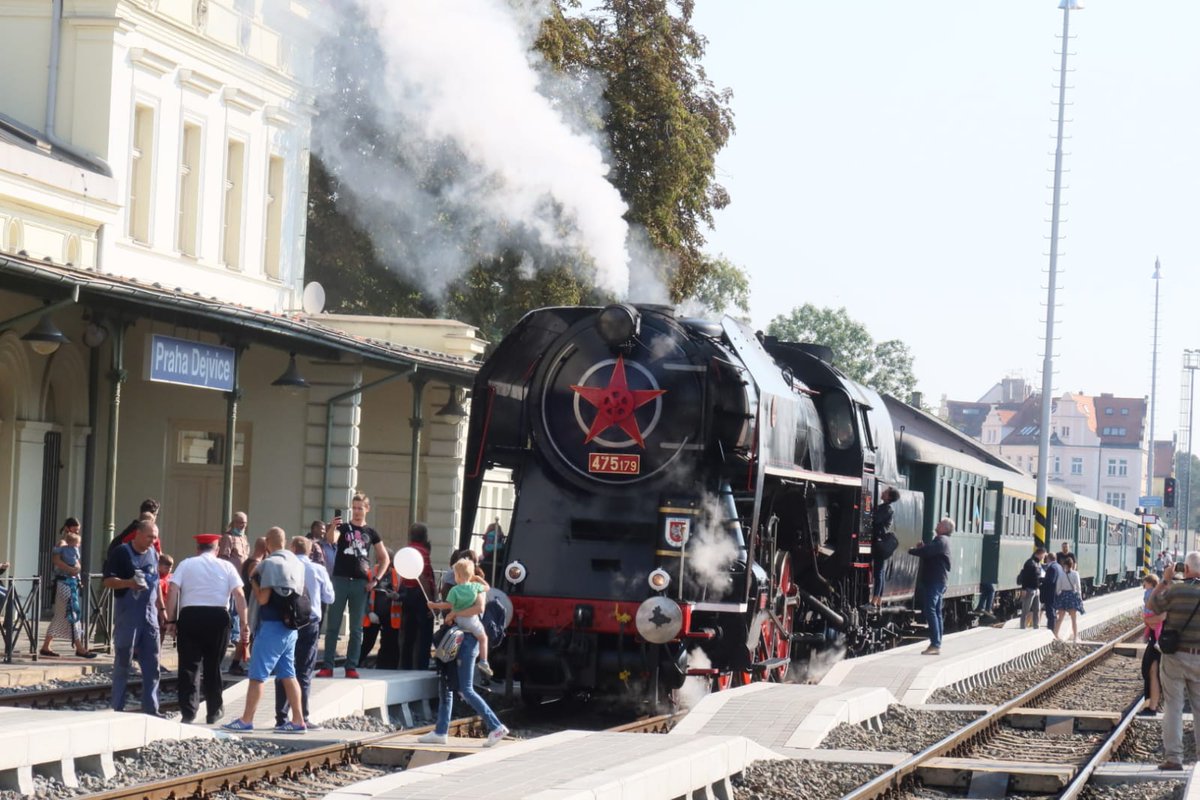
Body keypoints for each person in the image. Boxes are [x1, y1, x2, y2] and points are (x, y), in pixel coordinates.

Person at [223, 527, 307, 733]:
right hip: (291, 628)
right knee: (289, 674)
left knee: (257, 676)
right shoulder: (297, 564)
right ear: (285, 542)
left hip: (271, 627)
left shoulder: (269, 564)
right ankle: (298, 721)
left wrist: (253, 580)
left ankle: (246, 720)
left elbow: (262, 599)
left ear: (268, 542)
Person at [165, 533, 249, 725]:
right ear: (217, 550)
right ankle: (214, 710)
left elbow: (172, 590)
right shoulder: (227, 566)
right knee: (213, 665)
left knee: (189, 665)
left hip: (190, 616)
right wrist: (245, 624)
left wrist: (171, 620)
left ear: (198, 549)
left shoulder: (186, 564)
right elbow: (239, 594)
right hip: (218, 617)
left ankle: (188, 712)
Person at [417, 578, 509, 748]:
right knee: (446, 685)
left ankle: (496, 727)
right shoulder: (466, 588)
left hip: (466, 641)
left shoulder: (475, 589)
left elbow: (479, 608)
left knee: (466, 689)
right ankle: (440, 731)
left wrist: (453, 613)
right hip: (459, 640)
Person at [318, 494, 389, 679]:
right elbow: (331, 540)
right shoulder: (343, 527)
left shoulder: (371, 532)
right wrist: (333, 526)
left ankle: (351, 666)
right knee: (333, 625)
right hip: (340, 580)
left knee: (356, 628)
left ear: (367, 509)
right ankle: (327, 666)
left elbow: (385, 558)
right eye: (354, 508)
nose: (357, 512)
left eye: (360, 508)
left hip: (360, 583)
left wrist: (375, 580)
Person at [103, 519, 165, 716]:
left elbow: (156, 583)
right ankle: (117, 707)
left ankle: (151, 708)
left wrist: (162, 609)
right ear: (137, 534)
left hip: (150, 616)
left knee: (152, 664)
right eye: (149, 537)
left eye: (155, 537)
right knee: (123, 662)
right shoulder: (121, 552)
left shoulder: (153, 553)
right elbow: (107, 581)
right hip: (128, 615)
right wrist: (129, 583)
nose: (152, 541)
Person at [1148, 553, 1200, 771]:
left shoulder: (1176, 591)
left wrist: (1165, 580)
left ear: (1185, 569)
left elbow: (1152, 605)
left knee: (1173, 708)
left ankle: (1174, 758)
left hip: (1175, 657)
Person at [275, 536, 333, 730]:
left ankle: (281, 718)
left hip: (287, 622)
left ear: (292, 548)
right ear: (309, 551)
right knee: (304, 671)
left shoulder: (284, 566)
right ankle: (303, 717)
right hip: (310, 623)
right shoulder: (318, 569)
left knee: (285, 668)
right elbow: (330, 597)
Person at [428, 557, 494, 676]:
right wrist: (477, 578)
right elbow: (487, 587)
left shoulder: (454, 590)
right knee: (483, 638)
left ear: (457, 575)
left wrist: (434, 605)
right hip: (471, 620)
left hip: (459, 620)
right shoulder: (475, 587)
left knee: (449, 624)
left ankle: (445, 657)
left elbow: (447, 605)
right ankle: (484, 661)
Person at [40, 518, 94, 659]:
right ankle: (80, 648)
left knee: (60, 616)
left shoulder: (73, 544)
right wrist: (71, 569)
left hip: (72, 581)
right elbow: (56, 560)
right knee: (72, 612)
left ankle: (46, 646)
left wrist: (77, 568)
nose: (77, 531)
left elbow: (76, 561)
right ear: (68, 528)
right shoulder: (62, 544)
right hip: (64, 582)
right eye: (75, 529)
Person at [908, 517, 953, 656]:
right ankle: (937, 643)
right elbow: (929, 551)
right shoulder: (941, 541)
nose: (937, 524)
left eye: (940, 523)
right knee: (936, 612)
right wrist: (923, 547)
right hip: (938, 581)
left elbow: (927, 552)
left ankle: (935, 644)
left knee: (930, 610)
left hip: (935, 581)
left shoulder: (941, 540)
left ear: (944, 528)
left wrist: (912, 550)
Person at [398, 522, 436, 671]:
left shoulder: (406, 550)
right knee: (424, 634)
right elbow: (423, 578)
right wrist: (430, 601)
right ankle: (421, 666)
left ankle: (405, 665)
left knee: (408, 634)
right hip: (420, 594)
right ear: (424, 536)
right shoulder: (423, 553)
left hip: (407, 594)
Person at [230, 536, 269, 675]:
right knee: (249, 633)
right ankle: (237, 664)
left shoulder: (247, 561)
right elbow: (256, 584)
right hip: (251, 601)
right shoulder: (255, 564)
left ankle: (240, 663)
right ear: (265, 548)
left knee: (248, 634)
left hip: (247, 599)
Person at [360, 552, 401, 669]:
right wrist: (369, 612)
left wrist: (397, 596)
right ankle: (354, 663)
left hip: (390, 617)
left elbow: (402, 592)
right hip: (373, 615)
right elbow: (363, 596)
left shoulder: (397, 575)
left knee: (390, 644)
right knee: (368, 643)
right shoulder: (371, 573)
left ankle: (385, 666)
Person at [219, 512, 250, 654]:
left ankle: (236, 636)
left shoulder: (244, 538)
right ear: (234, 522)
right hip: (231, 578)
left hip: (241, 579)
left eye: (244, 523)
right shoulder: (228, 537)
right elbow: (223, 558)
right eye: (240, 522)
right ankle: (231, 636)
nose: (242, 525)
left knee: (238, 607)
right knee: (231, 608)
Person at [868, 488, 900, 611]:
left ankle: (875, 600)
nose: (882, 493)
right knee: (879, 571)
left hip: (880, 542)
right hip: (880, 541)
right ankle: (878, 600)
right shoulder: (884, 507)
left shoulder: (887, 509)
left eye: (885, 492)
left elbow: (876, 519)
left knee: (879, 572)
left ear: (889, 497)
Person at [1141, 573, 1164, 717]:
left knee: (1153, 670)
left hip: (1162, 640)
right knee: (1151, 670)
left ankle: (1153, 705)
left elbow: (1162, 617)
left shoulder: (1162, 595)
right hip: (1159, 639)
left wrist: (1148, 620)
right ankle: (1154, 704)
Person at [1053, 555, 1084, 642]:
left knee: (1060, 617)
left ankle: (1055, 635)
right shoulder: (1075, 574)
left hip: (1063, 595)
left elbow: (1058, 587)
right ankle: (1075, 637)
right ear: (1072, 565)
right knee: (1073, 619)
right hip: (1072, 595)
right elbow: (1078, 587)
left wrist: (1059, 594)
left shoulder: (1061, 574)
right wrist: (1080, 598)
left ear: (1065, 565)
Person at [1018, 547, 1046, 629]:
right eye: (1043, 555)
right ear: (1040, 554)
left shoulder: (1038, 563)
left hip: (1036, 590)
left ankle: (1036, 626)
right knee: (1026, 609)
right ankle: (1022, 626)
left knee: (1037, 609)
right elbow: (1025, 577)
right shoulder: (1030, 563)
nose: (1044, 557)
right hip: (1029, 589)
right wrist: (1023, 589)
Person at [1040, 551, 1061, 630]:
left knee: (1050, 613)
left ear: (1048, 558)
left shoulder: (1052, 568)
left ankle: (1051, 629)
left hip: (1051, 594)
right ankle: (1053, 629)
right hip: (1056, 592)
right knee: (1052, 612)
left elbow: (1050, 581)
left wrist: (1041, 580)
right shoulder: (1058, 566)